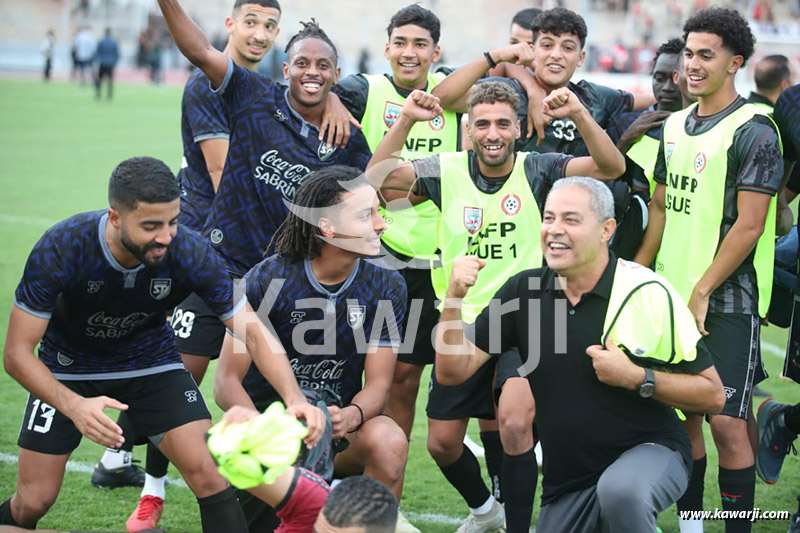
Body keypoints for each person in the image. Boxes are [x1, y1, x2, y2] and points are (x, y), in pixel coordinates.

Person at [0, 157, 324, 531]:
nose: (166, 236)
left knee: (210, 474)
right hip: (67, 369)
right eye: (151, 226)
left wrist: (294, 398)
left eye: (172, 221)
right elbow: (16, 354)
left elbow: (251, 329)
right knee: (33, 501)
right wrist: (74, 406)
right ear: (115, 217)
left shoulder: (189, 250)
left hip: (151, 364)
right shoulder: (63, 246)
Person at [367, 82, 624, 532]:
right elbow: (375, 179)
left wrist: (580, 114)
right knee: (443, 444)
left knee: (514, 423)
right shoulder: (445, 169)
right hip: (462, 320)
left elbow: (610, 166)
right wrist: (406, 117)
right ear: (467, 129)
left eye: (503, 123)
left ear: (519, 128)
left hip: (527, 321)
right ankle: (488, 512)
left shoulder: (539, 168)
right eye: (482, 123)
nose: (493, 133)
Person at [435, 176, 725, 533]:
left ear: (607, 230)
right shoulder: (523, 290)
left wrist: (637, 378)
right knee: (608, 494)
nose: (555, 230)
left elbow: (713, 395)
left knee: (621, 493)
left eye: (571, 220)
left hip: (653, 450)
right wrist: (453, 298)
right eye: (548, 218)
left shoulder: (646, 291)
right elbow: (453, 372)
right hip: (568, 484)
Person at [634, 8, 784, 533]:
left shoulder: (756, 129)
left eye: (706, 55)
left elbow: (750, 225)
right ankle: (694, 526)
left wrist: (701, 290)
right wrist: (635, 273)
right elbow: (658, 207)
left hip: (725, 299)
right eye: (688, 55)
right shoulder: (675, 124)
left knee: (725, 423)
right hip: (669, 294)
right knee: (684, 419)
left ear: (735, 62)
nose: (691, 67)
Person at [213, 166, 411, 531]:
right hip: (269, 428)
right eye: (366, 214)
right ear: (328, 228)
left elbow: (379, 387)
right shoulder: (268, 280)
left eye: (378, 211)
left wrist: (350, 415)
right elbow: (225, 383)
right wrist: (273, 428)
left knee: (389, 439)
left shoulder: (388, 285)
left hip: (338, 432)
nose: (381, 224)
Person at [332, 5, 458, 457]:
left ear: (436, 51)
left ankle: (388, 488)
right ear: (386, 48)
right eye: (400, 42)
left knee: (404, 380)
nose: (409, 52)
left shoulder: (454, 96)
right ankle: (336, 474)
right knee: (353, 369)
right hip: (376, 253)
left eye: (420, 44)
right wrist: (330, 96)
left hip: (432, 261)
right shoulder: (364, 90)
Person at [94, 28, 119, 101]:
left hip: (102, 62)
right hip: (110, 63)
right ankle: (109, 96)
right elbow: (116, 53)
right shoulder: (114, 42)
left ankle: (98, 95)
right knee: (110, 80)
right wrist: (115, 61)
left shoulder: (101, 41)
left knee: (99, 79)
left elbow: (98, 52)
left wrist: (97, 60)